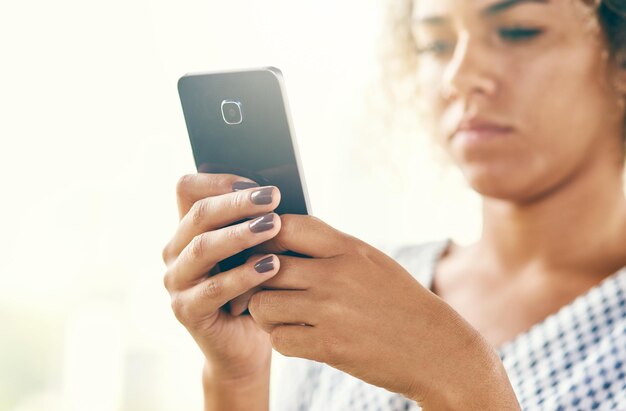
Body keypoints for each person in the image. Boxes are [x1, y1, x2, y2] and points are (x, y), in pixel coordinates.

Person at [161, 0, 626, 409]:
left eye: (518, 31)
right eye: (434, 45)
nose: (458, 76)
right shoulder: (354, 291)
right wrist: (238, 378)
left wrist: (460, 378)